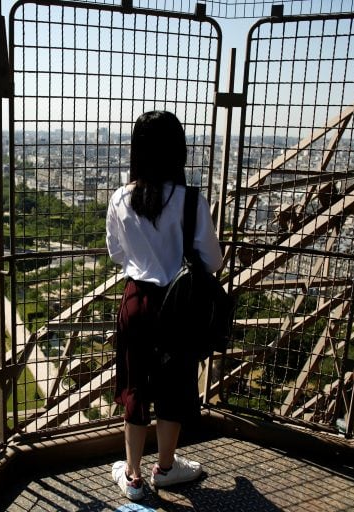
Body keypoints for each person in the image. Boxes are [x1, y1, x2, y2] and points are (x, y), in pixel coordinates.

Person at [105, 110, 224, 501]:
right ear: (179, 151)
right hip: (181, 305)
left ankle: (133, 476)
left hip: (137, 300)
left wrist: (145, 259)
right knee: (174, 389)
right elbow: (213, 261)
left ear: (136, 151)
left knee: (135, 387)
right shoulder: (192, 200)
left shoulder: (121, 198)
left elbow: (116, 254)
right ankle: (167, 467)